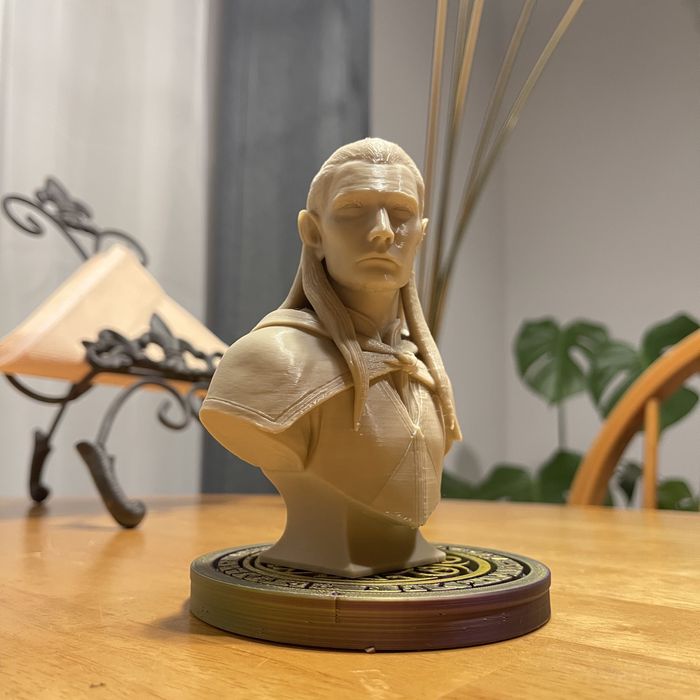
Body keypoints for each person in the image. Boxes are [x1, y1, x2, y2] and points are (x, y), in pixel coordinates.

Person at [200, 138, 461, 577]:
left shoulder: (424, 371)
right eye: (353, 210)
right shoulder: (271, 361)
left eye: (401, 213)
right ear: (314, 233)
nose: (382, 231)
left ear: (420, 234)